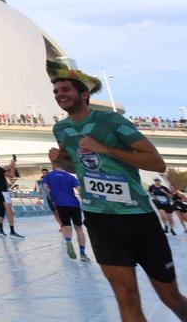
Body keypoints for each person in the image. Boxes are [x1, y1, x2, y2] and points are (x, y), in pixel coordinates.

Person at [48, 67, 187, 321]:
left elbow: (157, 163)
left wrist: (105, 149)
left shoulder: (111, 122)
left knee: (171, 298)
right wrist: (61, 161)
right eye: (56, 91)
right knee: (126, 298)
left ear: (84, 94)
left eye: (65, 89)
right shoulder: (62, 130)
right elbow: (76, 164)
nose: (59, 94)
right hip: (100, 220)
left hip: (138, 218)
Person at [42, 163, 89, 261]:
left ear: (53, 166)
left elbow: (46, 188)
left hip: (60, 204)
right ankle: (82, 253)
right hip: (74, 204)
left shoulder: (48, 176)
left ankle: (68, 241)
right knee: (79, 228)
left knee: (66, 226)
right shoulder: (70, 176)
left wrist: (52, 197)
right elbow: (79, 189)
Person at [0, 153, 23, 237]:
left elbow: (8, 173)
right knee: (9, 210)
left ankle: (1, 230)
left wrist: (12, 165)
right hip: (3, 191)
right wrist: (13, 164)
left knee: (1, 209)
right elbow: (11, 174)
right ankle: (12, 231)